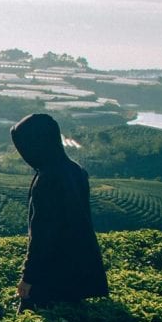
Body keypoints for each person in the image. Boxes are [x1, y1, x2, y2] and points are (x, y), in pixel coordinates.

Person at [9, 113, 108, 310]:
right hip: (79, 272)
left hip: (51, 276)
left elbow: (43, 235)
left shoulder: (47, 179)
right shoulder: (75, 170)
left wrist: (28, 278)